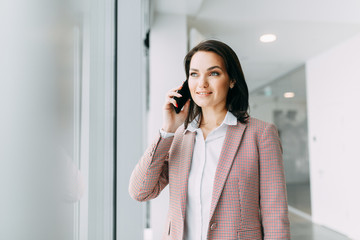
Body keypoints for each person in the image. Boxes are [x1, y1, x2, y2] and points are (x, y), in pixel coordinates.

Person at [129, 40, 290, 240]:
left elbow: (275, 215)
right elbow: (140, 192)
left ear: (232, 80)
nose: (202, 83)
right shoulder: (179, 136)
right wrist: (168, 130)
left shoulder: (261, 134)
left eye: (213, 73)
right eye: (194, 74)